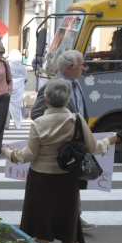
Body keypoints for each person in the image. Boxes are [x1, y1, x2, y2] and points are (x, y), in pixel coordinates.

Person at [3, 78, 117, 243]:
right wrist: (108, 140)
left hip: (40, 179)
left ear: (46, 101)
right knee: (68, 217)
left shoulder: (38, 123)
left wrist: (8, 153)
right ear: (67, 101)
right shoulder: (77, 120)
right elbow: (93, 148)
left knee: (40, 220)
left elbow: (28, 155)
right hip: (67, 178)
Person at [31, 49, 96, 232]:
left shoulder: (75, 83)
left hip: (76, 144)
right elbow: (37, 114)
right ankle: (66, 221)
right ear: (69, 67)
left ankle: (75, 218)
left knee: (73, 181)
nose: (84, 67)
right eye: (82, 64)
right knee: (62, 185)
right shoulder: (53, 86)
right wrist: (61, 131)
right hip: (61, 147)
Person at [7, 48, 27, 130]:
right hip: (19, 86)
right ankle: (18, 122)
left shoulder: (8, 63)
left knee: (10, 104)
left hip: (11, 84)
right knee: (18, 105)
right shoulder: (22, 64)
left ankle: (9, 122)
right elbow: (25, 74)